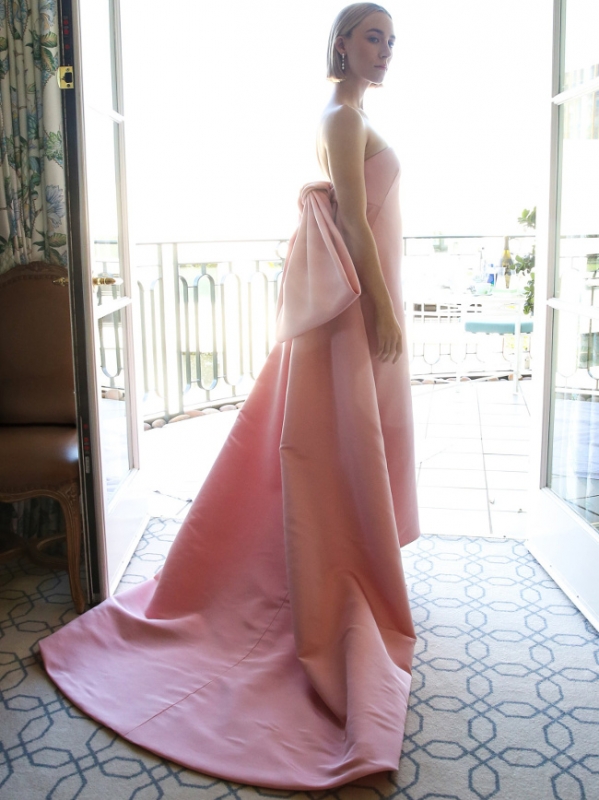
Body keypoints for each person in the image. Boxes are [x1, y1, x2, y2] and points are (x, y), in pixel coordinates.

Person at [40, 3, 420, 790]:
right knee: (334, 448)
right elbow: (354, 221)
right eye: (372, 36)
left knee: (352, 445)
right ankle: (324, 580)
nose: (385, 50)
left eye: (391, 39)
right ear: (342, 43)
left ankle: (342, 566)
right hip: (352, 308)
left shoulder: (349, 115)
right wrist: (383, 310)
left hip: (355, 305)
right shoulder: (340, 116)